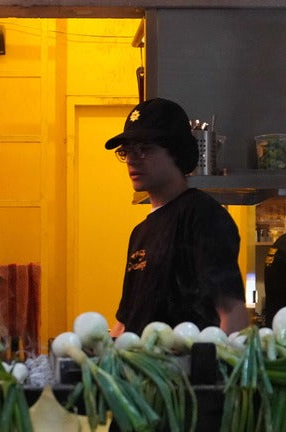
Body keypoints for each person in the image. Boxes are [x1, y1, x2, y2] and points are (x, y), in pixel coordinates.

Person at [106, 98, 249, 337]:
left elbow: (232, 311)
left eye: (144, 148)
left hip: (184, 370)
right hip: (142, 370)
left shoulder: (202, 215)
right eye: (127, 150)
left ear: (177, 151)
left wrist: (220, 368)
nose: (132, 158)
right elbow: (126, 321)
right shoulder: (140, 232)